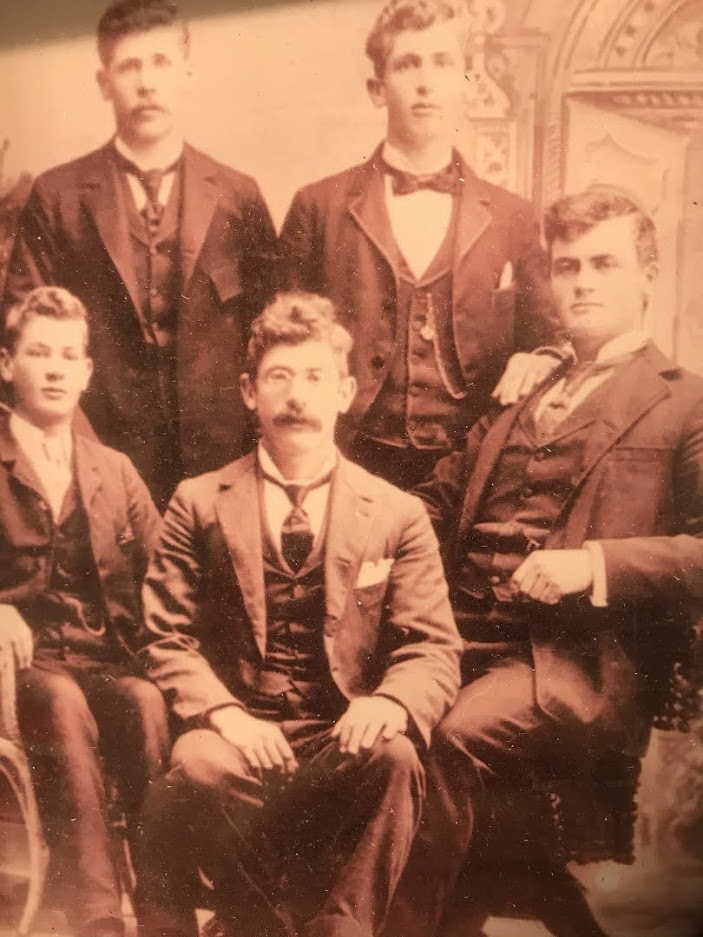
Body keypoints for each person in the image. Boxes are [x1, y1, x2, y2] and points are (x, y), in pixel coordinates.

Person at [384, 185, 703, 937]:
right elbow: (430, 502)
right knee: (366, 726)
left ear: (646, 277)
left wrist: (591, 563)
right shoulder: (520, 390)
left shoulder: (686, 401)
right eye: (566, 267)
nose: (583, 282)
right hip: (459, 636)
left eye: (604, 264)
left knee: (447, 738)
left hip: (572, 660)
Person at [135, 291, 461, 937]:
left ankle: (339, 929)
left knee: (396, 757)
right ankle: (253, 918)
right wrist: (225, 712)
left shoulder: (395, 512)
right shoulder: (197, 501)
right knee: (199, 766)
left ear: (344, 392)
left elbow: (433, 646)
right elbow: (166, 636)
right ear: (248, 391)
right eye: (278, 376)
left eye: (314, 377)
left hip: (338, 731)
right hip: (236, 729)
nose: (297, 396)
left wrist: (390, 702)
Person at [3, 0, 277, 508]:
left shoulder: (239, 196)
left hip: (220, 458)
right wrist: (79, 447)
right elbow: (21, 329)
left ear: (187, 75)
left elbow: (274, 335)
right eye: (130, 66)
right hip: (95, 453)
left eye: (161, 63)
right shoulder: (58, 196)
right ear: (104, 82)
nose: (147, 83)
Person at [278, 0, 563, 490]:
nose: (425, 82)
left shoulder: (513, 216)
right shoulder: (318, 207)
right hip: (346, 457)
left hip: (471, 464)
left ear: (467, 84)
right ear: (377, 89)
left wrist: (542, 355)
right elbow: (281, 343)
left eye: (443, 62)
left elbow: (550, 339)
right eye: (408, 64)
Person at [0, 286, 170, 937]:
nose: (54, 368)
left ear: (87, 372)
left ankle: (164, 904)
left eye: (69, 355)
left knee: (145, 703)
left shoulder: (114, 468)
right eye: (38, 351)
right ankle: (97, 914)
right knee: (64, 704)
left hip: (103, 655)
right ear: (6, 362)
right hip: (22, 665)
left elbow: (167, 574)